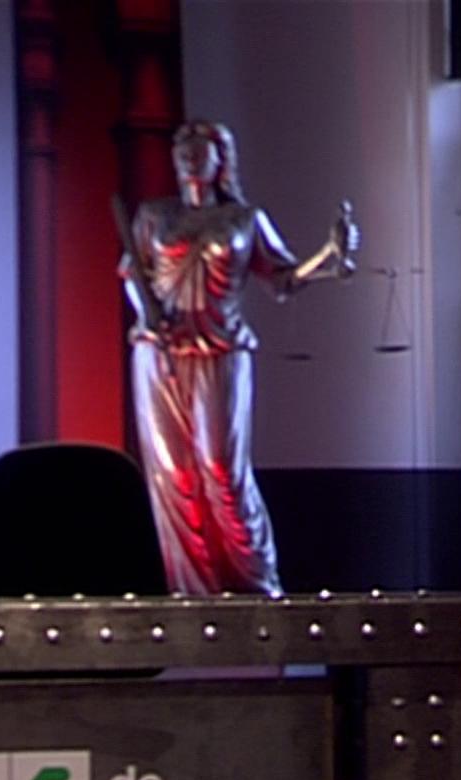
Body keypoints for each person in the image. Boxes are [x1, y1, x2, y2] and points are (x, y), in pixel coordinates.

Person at [120, 120, 359, 596]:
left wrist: (329, 254)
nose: (189, 158)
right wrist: (147, 316)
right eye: (182, 150)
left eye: (199, 150)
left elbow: (284, 279)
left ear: (220, 159)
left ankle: (257, 584)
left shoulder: (244, 220)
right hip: (160, 352)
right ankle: (193, 592)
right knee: (174, 475)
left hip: (221, 349)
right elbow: (133, 274)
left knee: (221, 469)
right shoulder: (154, 216)